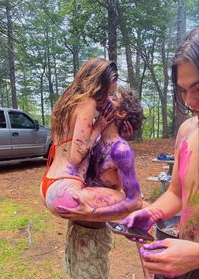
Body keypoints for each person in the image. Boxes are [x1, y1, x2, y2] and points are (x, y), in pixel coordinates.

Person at [119, 26, 199, 279]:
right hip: (176, 269)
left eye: (198, 87)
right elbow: (178, 194)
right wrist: (150, 213)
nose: (191, 101)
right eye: (183, 90)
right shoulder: (188, 131)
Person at [62, 87, 144, 279]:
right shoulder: (96, 140)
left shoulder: (121, 151)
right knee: (81, 275)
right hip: (79, 225)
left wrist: (93, 213)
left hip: (94, 230)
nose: (105, 99)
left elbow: (136, 200)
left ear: (119, 112)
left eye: (112, 98)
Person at [41, 57, 141, 219]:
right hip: (65, 190)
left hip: (51, 184)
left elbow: (89, 142)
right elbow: (76, 156)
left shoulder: (68, 103)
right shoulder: (87, 101)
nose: (108, 99)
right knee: (136, 203)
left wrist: (118, 131)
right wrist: (99, 126)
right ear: (98, 86)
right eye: (108, 93)